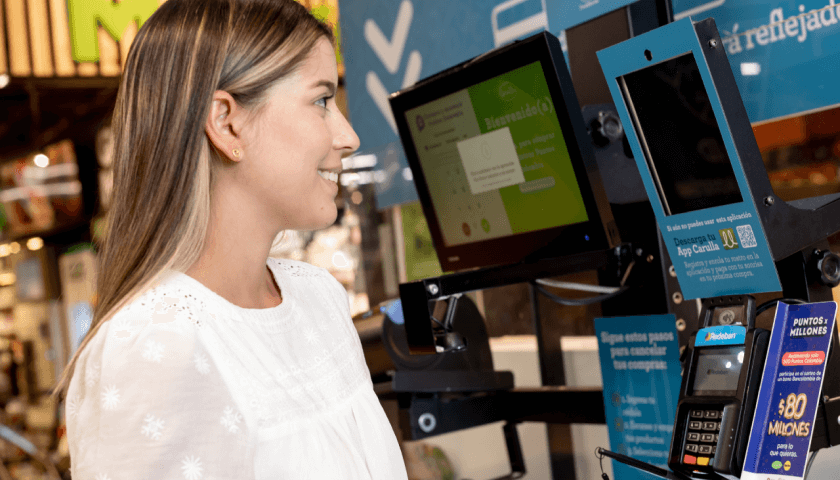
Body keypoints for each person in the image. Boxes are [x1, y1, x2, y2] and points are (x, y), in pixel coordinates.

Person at [53, 0, 408, 478]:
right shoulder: (154, 345)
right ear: (226, 122)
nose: (348, 137)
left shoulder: (317, 296)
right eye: (322, 101)